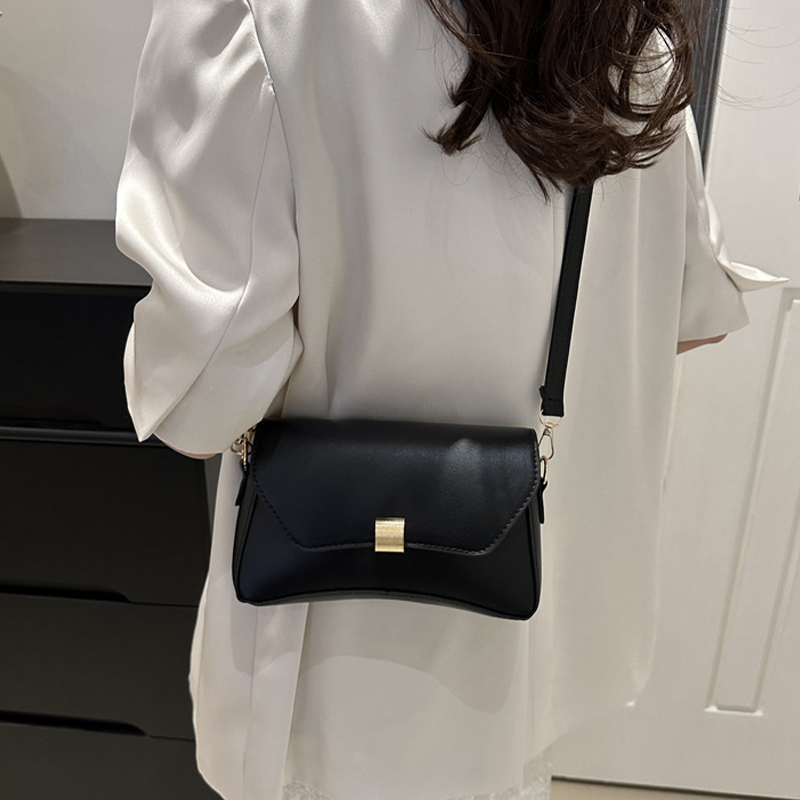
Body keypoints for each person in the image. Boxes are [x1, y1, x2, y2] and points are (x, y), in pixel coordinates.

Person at [115, 1, 781, 799]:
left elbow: (201, 410)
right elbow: (691, 314)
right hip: (528, 645)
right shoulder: (629, 33)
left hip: (331, 674)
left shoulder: (262, 15)